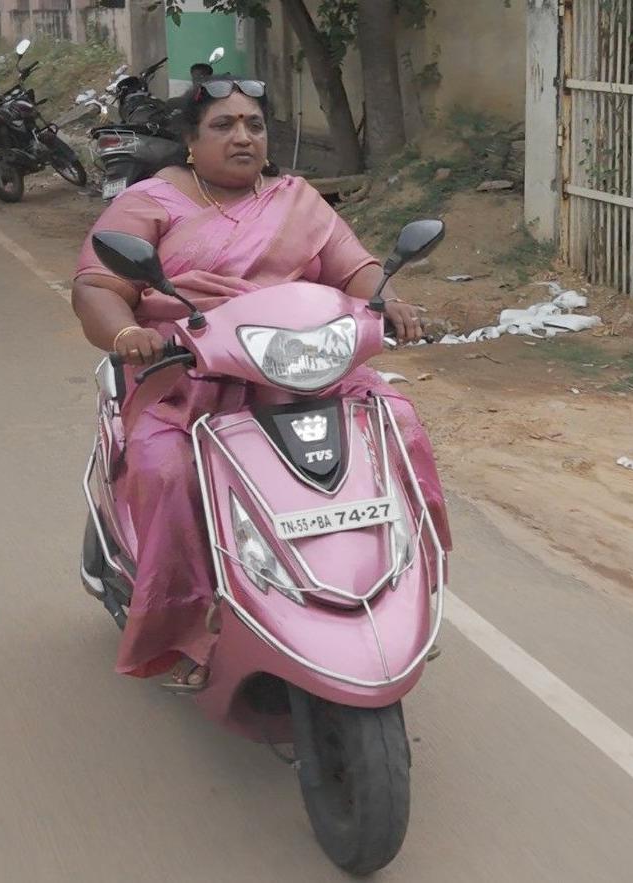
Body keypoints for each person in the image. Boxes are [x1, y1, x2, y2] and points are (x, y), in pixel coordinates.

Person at [71, 76, 450, 689]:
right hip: (190, 376)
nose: (243, 136)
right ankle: (191, 625)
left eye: (253, 124)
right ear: (191, 142)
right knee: (169, 471)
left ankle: (409, 588)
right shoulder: (151, 201)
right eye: (223, 126)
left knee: (398, 426)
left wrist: (392, 303)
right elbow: (96, 285)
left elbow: (354, 267)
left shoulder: (296, 198)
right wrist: (127, 335)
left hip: (302, 367)